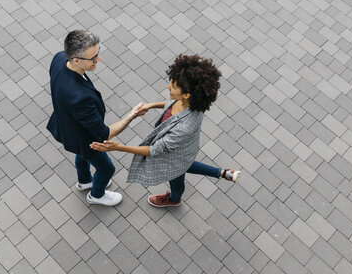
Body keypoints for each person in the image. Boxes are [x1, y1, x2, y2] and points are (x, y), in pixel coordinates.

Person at [90, 54, 241, 207]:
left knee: (177, 177)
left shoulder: (184, 128)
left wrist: (119, 148)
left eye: (173, 86)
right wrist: (150, 105)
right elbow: (170, 103)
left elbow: (154, 150)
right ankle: (223, 173)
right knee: (186, 164)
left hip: (175, 156)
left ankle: (174, 199)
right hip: (184, 151)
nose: (168, 87)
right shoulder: (191, 102)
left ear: (187, 94)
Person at [47, 30, 142, 206]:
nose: (98, 60)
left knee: (82, 155)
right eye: (93, 58)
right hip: (86, 138)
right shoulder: (80, 98)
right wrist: (132, 115)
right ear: (75, 60)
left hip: (67, 127)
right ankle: (96, 195)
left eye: (97, 54)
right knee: (107, 168)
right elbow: (103, 134)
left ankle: (84, 182)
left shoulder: (59, 59)